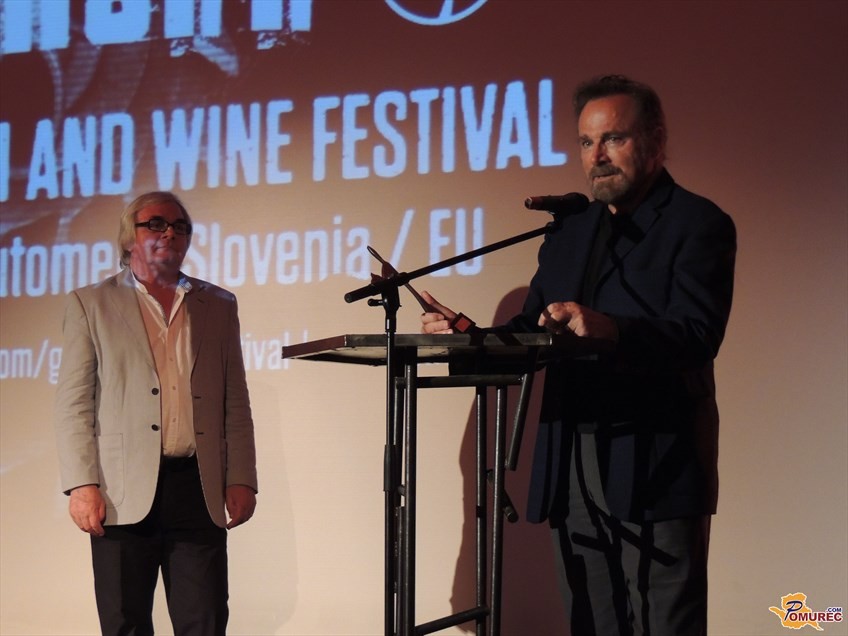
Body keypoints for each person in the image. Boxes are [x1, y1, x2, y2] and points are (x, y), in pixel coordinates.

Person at [421, 75, 736, 635]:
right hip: (571, 466)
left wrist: (611, 331)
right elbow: (531, 330)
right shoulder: (571, 233)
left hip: (655, 462)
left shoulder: (697, 223)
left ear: (656, 141)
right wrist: (465, 334)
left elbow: (696, 335)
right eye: (587, 142)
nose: (598, 156)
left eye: (613, 138)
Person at [54, 191, 258, 636]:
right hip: (121, 489)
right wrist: (82, 484)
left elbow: (234, 399)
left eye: (180, 226)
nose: (170, 233)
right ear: (129, 237)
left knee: (204, 621)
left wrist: (241, 476)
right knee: (125, 622)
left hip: (197, 485)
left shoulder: (218, 304)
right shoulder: (91, 304)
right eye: (156, 224)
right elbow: (74, 403)